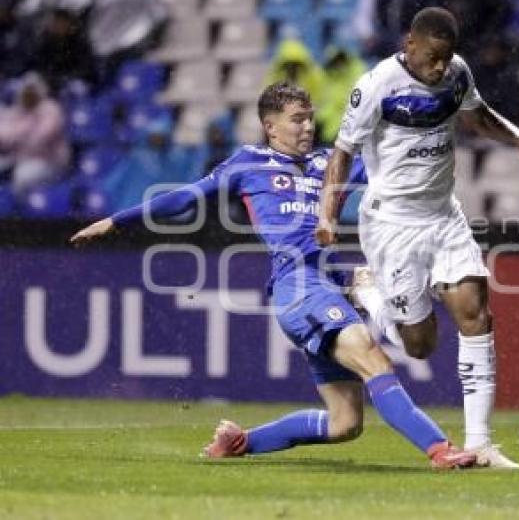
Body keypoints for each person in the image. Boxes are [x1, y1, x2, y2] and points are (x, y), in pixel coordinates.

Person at [69, 82, 476, 470]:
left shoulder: (327, 164)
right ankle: (440, 449)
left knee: (345, 423)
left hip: (330, 284)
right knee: (372, 356)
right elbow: (184, 198)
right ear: (270, 126)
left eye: (310, 118)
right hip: (299, 286)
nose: (308, 126)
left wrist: (428, 143)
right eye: (297, 119)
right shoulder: (247, 164)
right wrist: (116, 221)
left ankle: (241, 443)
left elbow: (390, 173)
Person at [316, 7, 519, 469]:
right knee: (419, 345)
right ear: (409, 43)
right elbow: (342, 152)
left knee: (476, 313)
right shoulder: (375, 87)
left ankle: (480, 444)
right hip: (393, 226)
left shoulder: (455, 72)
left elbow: (478, 115)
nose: (439, 67)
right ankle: (369, 290)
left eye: (446, 58)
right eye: (432, 57)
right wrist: (328, 215)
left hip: (444, 217)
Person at [0, 72, 70, 195]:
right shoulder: (19, 109)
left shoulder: (50, 108)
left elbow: (39, 140)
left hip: (49, 163)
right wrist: (22, 133)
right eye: (26, 88)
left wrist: (18, 136)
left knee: (22, 175)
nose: (29, 92)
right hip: (21, 158)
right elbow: (3, 138)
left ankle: (19, 210)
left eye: (33, 88)